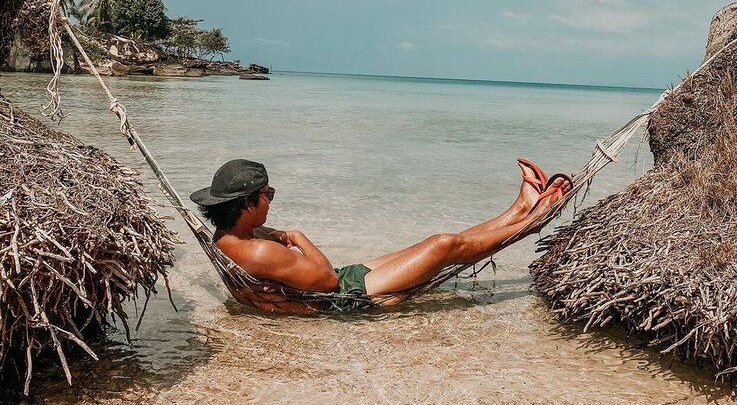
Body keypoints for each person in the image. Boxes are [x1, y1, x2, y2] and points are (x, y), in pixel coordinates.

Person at [190, 157, 571, 314]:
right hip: (347, 296)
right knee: (442, 246)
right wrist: (299, 238)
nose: (271, 200)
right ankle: (532, 223)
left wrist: (276, 235)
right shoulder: (257, 251)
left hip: (339, 284)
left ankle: (516, 212)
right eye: (267, 195)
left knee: (437, 244)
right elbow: (328, 280)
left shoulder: (230, 235)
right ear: (247, 204)